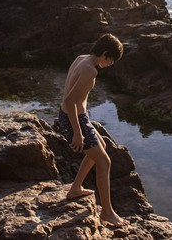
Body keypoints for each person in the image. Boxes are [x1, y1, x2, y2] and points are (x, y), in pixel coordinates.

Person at [58, 33, 128, 227]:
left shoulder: (81, 59)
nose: (111, 64)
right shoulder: (91, 71)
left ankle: (75, 189)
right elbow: (69, 101)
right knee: (104, 162)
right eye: (112, 59)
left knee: (102, 146)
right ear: (105, 53)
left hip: (75, 117)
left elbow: (70, 99)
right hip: (75, 119)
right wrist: (78, 132)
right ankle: (107, 212)